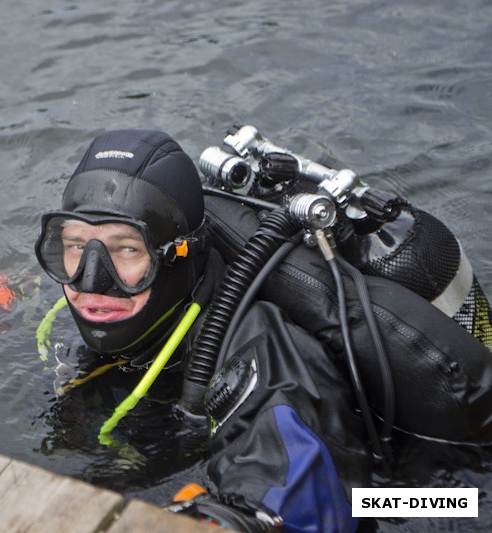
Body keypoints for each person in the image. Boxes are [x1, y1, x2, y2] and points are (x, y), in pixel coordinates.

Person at [34, 129, 492, 532]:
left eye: (127, 249)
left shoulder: (261, 352)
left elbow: (282, 484)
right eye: (75, 245)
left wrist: (223, 519)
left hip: (413, 494)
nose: (91, 280)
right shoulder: (119, 298)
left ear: (180, 256)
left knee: (367, 507)